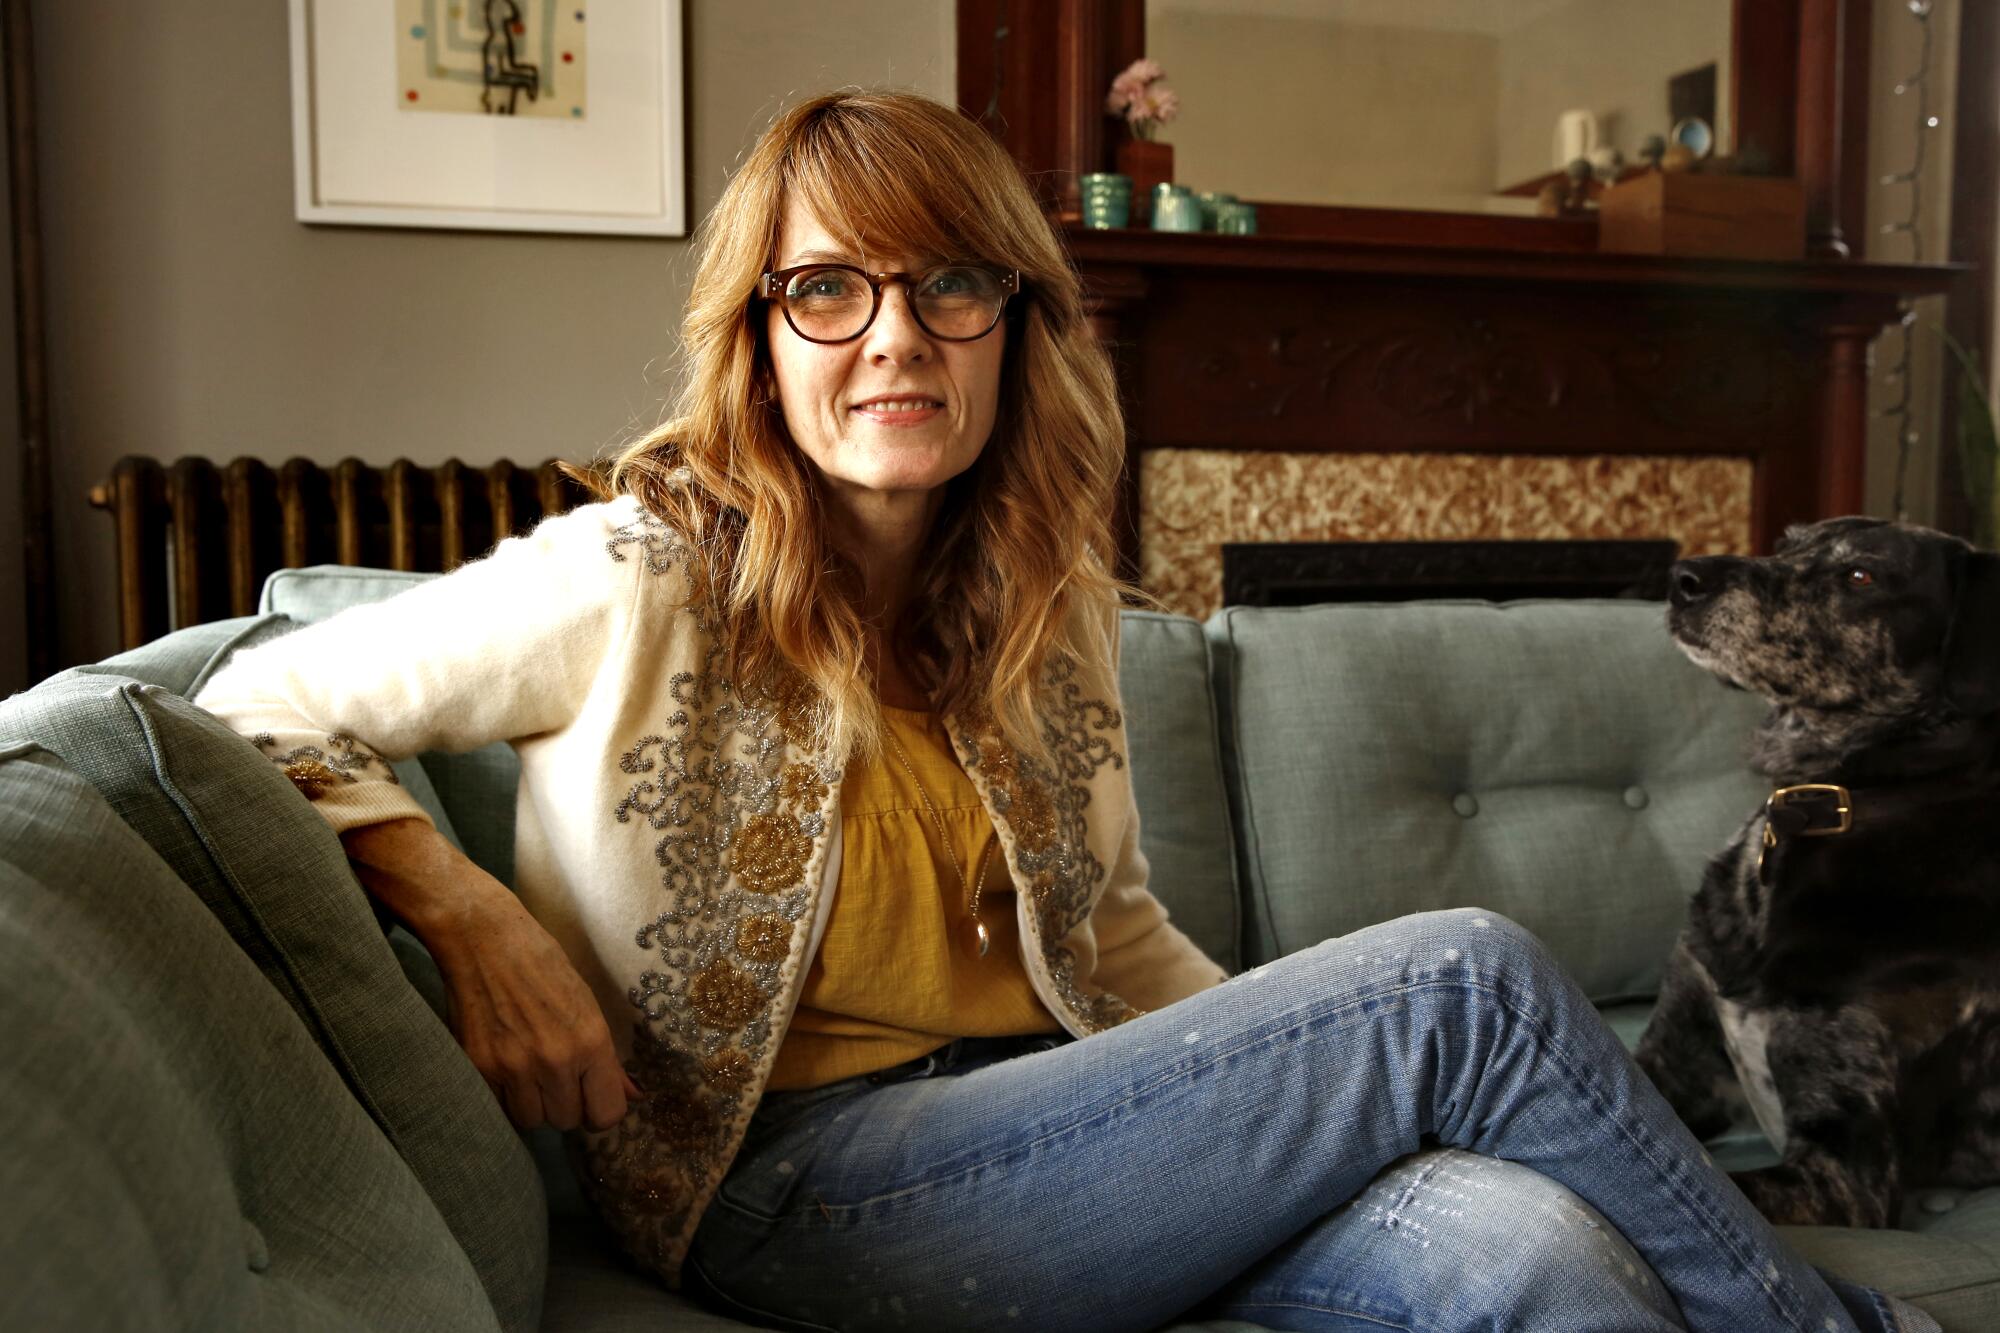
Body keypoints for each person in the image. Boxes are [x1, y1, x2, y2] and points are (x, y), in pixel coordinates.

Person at [194, 91, 1937, 1333]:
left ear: (1016, 324)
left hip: (1064, 1125)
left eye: (952, 285)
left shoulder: (1039, 609)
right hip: (788, 1189)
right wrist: (469, 908)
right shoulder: (638, 574)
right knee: (1461, 979)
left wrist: (1288, 1080)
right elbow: (246, 704)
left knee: (1537, 1259)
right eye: (830, 289)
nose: (895, 339)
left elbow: (1110, 931)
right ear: (760, 333)